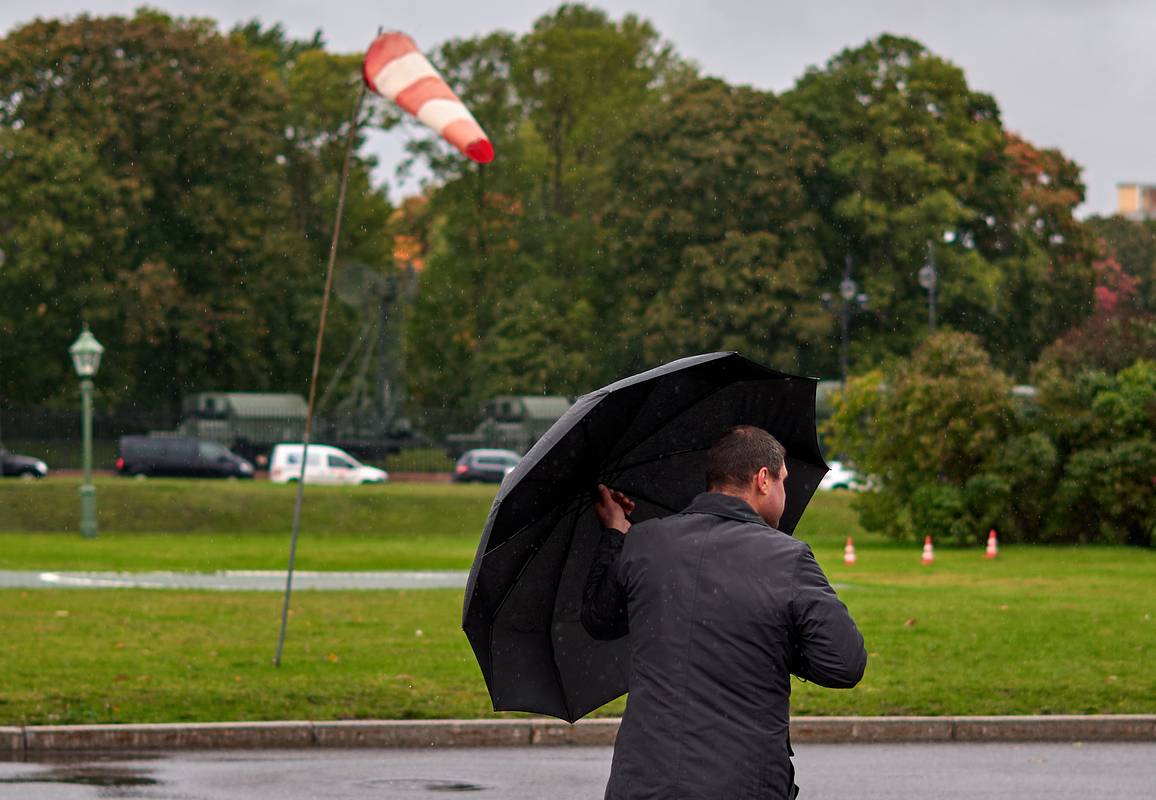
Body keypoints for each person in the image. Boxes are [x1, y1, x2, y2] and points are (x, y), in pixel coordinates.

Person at [582, 425, 866, 800]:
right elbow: (843, 664)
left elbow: (599, 619)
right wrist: (772, 642)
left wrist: (616, 533)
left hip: (643, 779)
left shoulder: (644, 542)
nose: (786, 492)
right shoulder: (785, 557)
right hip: (741, 780)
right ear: (763, 479)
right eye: (783, 480)